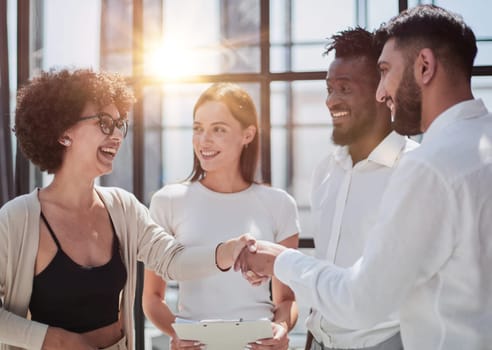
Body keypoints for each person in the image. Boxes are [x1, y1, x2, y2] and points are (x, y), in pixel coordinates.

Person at [236, 5, 492, 349]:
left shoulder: (427, 166)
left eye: (386, 71)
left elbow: (362, 300)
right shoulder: (478, 146)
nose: (383, 92)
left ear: (425, 66)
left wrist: (280, 261)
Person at [0, 69, 253, 350]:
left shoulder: (123, 207)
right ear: (63, 132)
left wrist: (227, 252)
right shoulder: (16, 219)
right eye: (105, 123)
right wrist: (56, 340)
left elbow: (172, 260)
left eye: (120, 124)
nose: (117, 135)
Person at [142, 82, 300, 350]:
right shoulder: (167, 201)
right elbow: (152, 298)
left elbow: (286, 299)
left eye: (218, 129)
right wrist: (175, 334)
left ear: (247, 134)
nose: (204, 140)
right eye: (198, 128)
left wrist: (282, 328)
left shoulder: (279, 204)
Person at [305, 27, 418, 350]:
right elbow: (326, 268)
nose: (331, 101)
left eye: (344, 88)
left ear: (383, 90)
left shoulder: (415, 170)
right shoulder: (325, 170)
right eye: (329, 89)